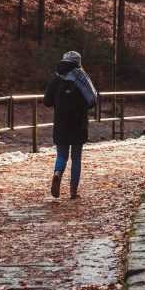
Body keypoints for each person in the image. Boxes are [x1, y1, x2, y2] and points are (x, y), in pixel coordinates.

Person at [42, 50, 97, 199]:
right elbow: (92, 100)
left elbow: (46, 101)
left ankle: (57, 173)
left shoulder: (57, 78)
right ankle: (73, 191)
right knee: (76, 158)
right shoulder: (82, 78)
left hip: (60, 123)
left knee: (61, 155)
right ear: (78, 63)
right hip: (79, 124)